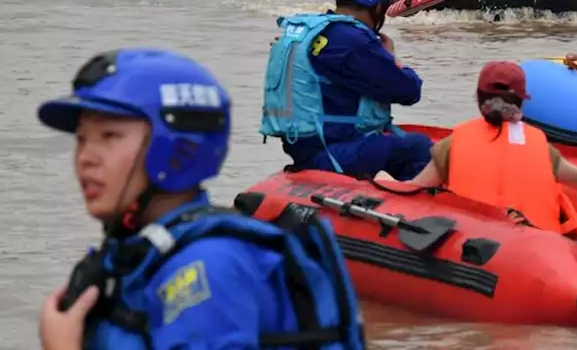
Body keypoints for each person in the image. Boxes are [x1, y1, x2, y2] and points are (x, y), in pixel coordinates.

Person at [37, 49, 364, 350]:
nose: (85, 158)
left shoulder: (209, 266)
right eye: (82, 139)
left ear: (174, 149)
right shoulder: (142, 252)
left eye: (109, 136)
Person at [376, 61, 577, 236]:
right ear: (520, 101)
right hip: (539, 247)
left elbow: (411, 192)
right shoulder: (541, 147)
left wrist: (383, 179)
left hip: (477, 248)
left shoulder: (453, 144)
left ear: (479, 99)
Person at [262, 0, 433, 179]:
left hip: (303, 146)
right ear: (378, 6)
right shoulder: (351, 41)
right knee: (418, 146)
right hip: (332, 152)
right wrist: (391, 57)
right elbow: (409, 91)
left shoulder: (315, 30)